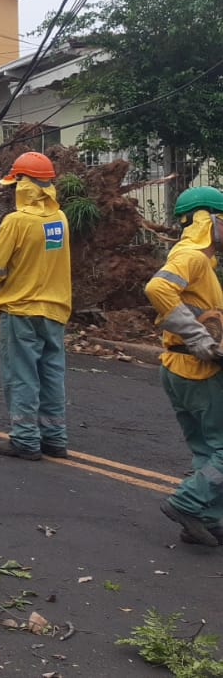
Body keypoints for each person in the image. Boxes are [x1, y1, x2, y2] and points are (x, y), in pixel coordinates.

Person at [144, 186, 223, 547]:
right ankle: (187, 502)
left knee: (207, 448)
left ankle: (208, 519)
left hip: (179, 365)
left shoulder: (201, 263)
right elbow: (157, 288)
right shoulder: (191, 256)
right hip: (196, 369)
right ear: (208, 219)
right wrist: (199, 338)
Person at [0, 151, 72, 461]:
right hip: (56, 310)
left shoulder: (15, 222)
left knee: (22, 375)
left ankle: (25, 439)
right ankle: (55, 438)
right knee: (51, 374)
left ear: (22, 183)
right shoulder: (59, 219)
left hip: (21, 311)